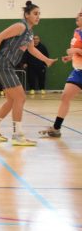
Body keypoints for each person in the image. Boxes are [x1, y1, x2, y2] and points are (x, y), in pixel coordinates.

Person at [0, 1, 57, 146]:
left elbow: (32, 50)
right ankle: (17, 135)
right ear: (27, 15)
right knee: (21, 98)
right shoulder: (20, 26)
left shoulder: (30, 32)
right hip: (3, 63)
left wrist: (46, 60)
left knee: (12, 100)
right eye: (35, 13)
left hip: (8, 65)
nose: (38, 16)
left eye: (39, 14)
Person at [40, 9, 82, 138]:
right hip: (78, 71)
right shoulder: (77, 31)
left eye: (81, 15)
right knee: (65, 97)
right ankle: (56, 128)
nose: (78, 15)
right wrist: (71, 57)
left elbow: (78, 50)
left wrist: (76, 50)